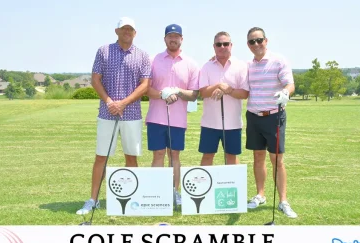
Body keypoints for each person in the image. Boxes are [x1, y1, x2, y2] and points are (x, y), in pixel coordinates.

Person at [76, 17, 151, 215]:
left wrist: (124, 103)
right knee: (101, 156)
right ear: (116, 31)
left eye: (131, 29)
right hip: (107, 112)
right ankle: (93, 199)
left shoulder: (142, 55)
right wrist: (110, 102)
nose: (127, 31)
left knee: (131, 157)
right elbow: (95, 79)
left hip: (132, 113)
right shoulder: (103, 51)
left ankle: (132, 197)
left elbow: (145, 85)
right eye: (123, 28)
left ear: (135, 33)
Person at [245, 27, 297, 218]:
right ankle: (260, 195)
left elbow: (289, 84)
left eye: (259, 40)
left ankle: (283, 201)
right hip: (253, 116)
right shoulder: (248, 65)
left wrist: (285, 93)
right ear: (248, 45)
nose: (256, 44)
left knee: (277, 159)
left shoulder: (278, 60)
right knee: (258, 157)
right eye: (252, 41)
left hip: (274, 115)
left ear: (266, 41)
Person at [145, 24, 199, 205]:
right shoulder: (153, 60)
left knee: (174, 154)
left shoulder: (190, 63)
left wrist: (178, 91)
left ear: (181, 39)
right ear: (165, 39)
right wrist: (162, 94)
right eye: (170, 36)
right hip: (155, 117)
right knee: (158, 154)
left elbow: (194, 94)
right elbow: (146, 88)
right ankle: (157, 193)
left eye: (176, 36)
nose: (173, 39)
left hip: (178, 119)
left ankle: (175, 192)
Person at [198, 31, 249, 166]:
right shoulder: (206, 66)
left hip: (233, 123)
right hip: (210, 123)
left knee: (231, 157)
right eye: (218, 44)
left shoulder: (241, 66)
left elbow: (244, 94)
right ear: (214, 46)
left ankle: (234, 187)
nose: (222, 47)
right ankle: (204, 187)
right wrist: (219, 86)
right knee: (207, 156)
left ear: (231, 45)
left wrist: (229, 90)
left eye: (225, 44)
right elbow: (203, 93)